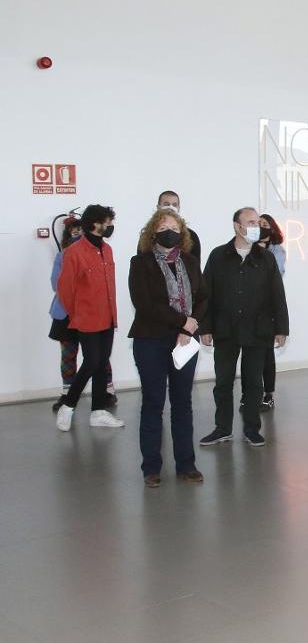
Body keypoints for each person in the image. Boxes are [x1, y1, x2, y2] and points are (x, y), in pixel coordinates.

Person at [198, 207, 289, 448]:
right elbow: (206, 294)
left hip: (258, 330)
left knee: (254, 383)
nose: (256, 226)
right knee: (223, 381)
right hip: (225, 329)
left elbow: (277, 295)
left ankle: (252, 428)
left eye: (258, 222)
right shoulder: (218, 256)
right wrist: (204, 327)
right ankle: (222, 428)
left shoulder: (266, 258)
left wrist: (281, 328)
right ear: (237, 226)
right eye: (250, 222)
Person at [129, 208, 208, 487]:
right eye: (163, 225)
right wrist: (183, 324)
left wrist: (190, 326)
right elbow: (146, 304)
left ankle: (186, 465)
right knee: (153, 403)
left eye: (174, 225)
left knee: (183, 403)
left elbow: (203, 297)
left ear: (182, 232)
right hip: (151, 340)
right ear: (154, 231)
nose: (169, 230)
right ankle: (151, 468)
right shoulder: (140, 263)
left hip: (185, 341)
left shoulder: (190, 261)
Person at [55, 204, 125, 431]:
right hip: (86, 319)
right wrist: (78, 313)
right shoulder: (74, 252)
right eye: (107, 222)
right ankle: (68, 405)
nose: (110, 226)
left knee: (102, 364)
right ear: (94, 223)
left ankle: (98, 412)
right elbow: (64, 290)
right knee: (92, 362)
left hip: (108, 317)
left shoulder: (107, 250)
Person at [256, 213, 286, 411]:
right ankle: (250, 394)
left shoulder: (277, 251)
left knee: (267, 354)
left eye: (265, 224)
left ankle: (268, 394)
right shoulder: (246, 249)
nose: (261, 227)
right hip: (248, 310)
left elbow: (276, 274)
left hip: (268, 309)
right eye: (258, 224)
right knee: (250, 355)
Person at [138, 191, 202, 266]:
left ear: (178, 208)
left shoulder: (192, 236)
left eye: (174, 205)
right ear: (158, 207)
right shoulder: (147, 235)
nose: (170, 208)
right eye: (166, 204)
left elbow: (195, 269)